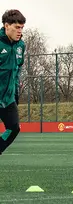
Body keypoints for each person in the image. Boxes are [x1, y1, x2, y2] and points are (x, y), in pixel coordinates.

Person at [0, 10, 26, 155]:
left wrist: (15, 88)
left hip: (8, 98)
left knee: (14, 128)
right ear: (6, 26)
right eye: (17, 27)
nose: (20, 31)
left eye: (21, 28)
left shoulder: (21, 46)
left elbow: (18, 68)